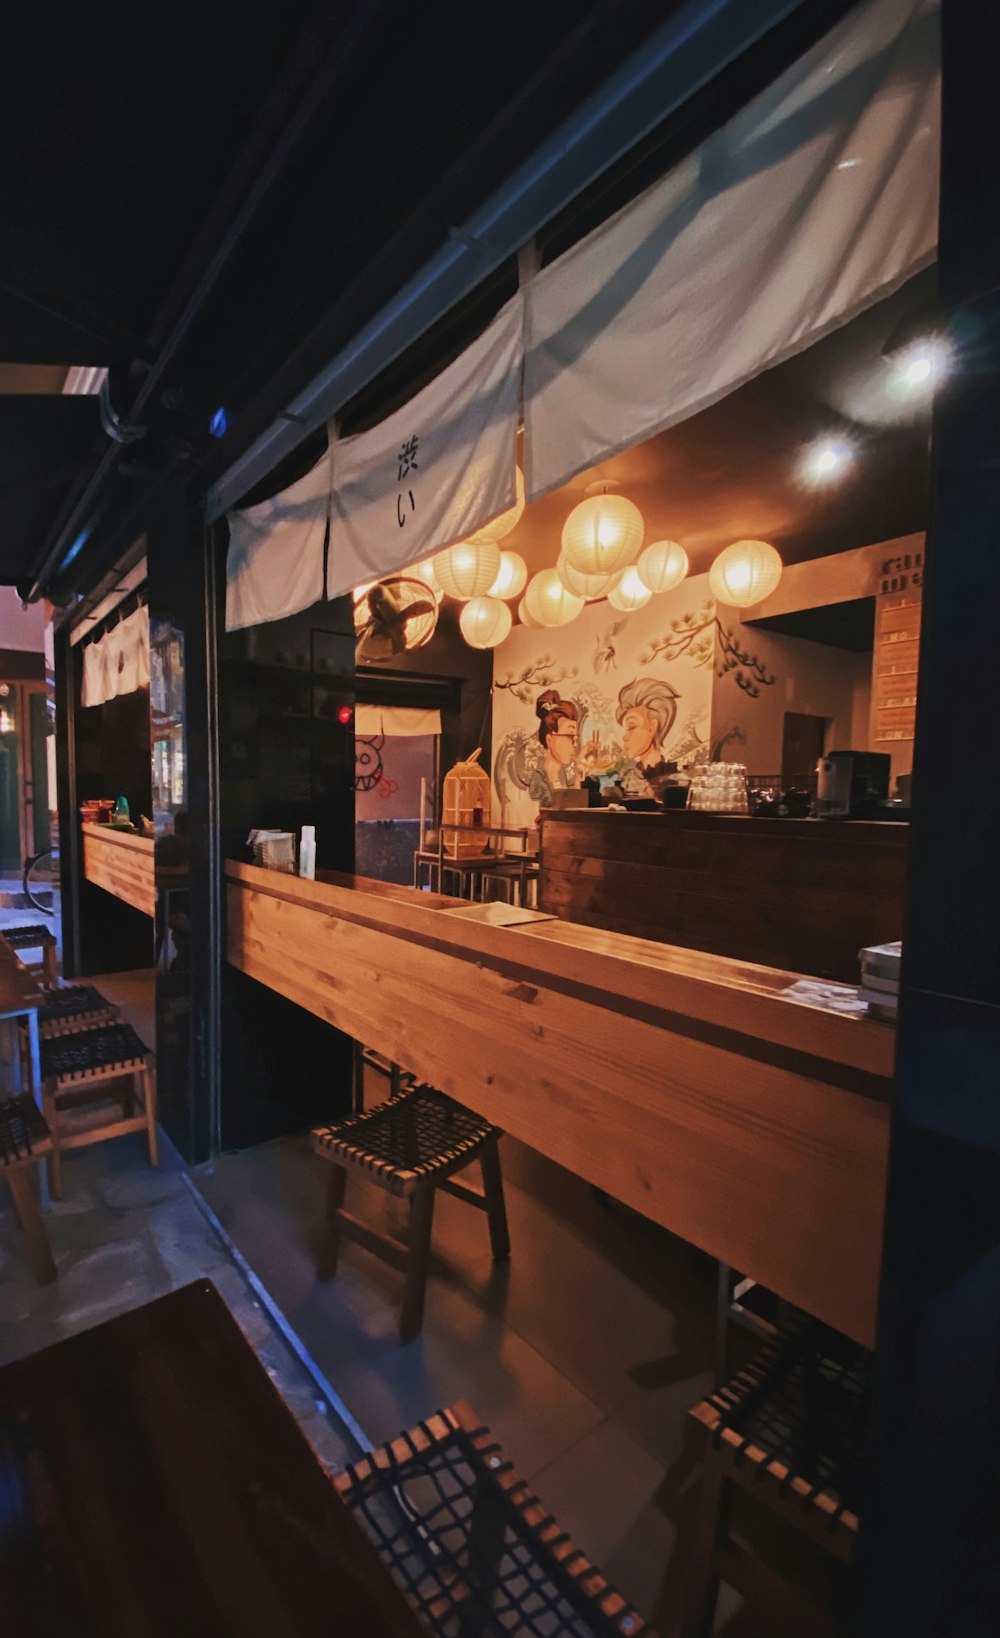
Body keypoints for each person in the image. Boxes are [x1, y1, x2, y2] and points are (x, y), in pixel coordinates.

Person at [529, 691, 584, 808]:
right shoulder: (538, 778)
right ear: (549, 739)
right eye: (570, 736)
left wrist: (579, 780)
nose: (575, 744)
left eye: (575, 737)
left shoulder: (561, 773)